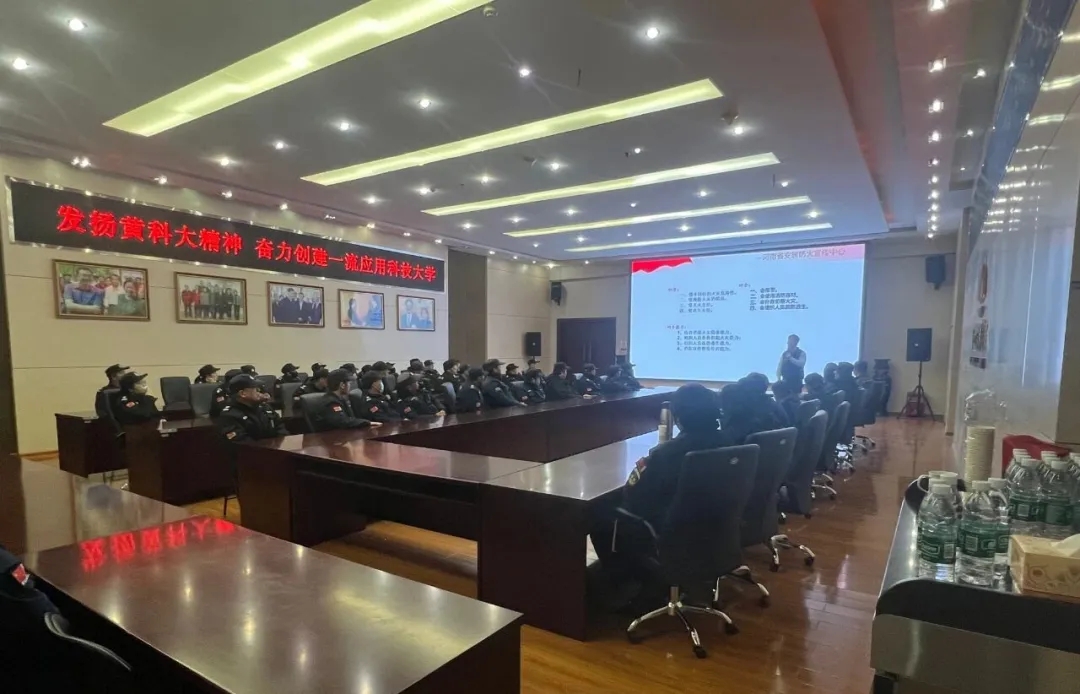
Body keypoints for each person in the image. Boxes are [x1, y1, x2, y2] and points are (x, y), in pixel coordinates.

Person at [591, 384, 736, 572]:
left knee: (599, 513)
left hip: (673, 530)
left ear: (678, 417)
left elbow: (634, 497)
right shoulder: (730, 443)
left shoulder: (666, 453)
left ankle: (624, 578)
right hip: (715, 527)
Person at [215, 374, 289, 442]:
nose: (260, 392)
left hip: (275, 449)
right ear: (242, 393)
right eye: (256, 389)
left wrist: (281, 443)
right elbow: (242, 442)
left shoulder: (265, 407)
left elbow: (280, 428)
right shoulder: (229, 415)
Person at [310, 369, 380, 432]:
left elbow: (352, 418)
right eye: (349, 383)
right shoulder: (330, 402)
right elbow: (343, 421)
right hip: (330, 438)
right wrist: (367, 422)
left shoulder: (341, 399)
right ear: (342, 385)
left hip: (342, 436)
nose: (350, 386)